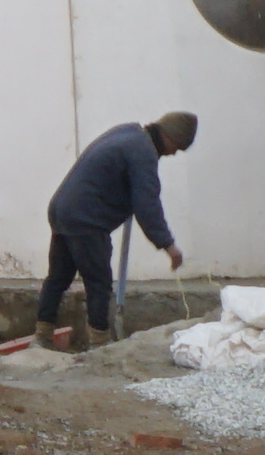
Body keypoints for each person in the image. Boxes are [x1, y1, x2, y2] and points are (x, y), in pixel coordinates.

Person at [40, 108, 200, 348]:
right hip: (86, 219)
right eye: (176, 148)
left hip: (62, 209)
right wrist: (168, 245)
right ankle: (99, 343)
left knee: (58, 277)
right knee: (98, 282)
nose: (172, 154)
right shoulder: (143, 152)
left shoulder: (128, 132)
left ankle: (42, 337)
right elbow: (148, 205)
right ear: (170, 137)